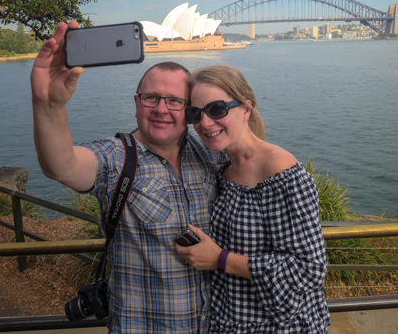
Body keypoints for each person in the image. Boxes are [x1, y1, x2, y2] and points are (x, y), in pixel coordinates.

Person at [31, 22, 224, 333]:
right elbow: (63, 165)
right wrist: (48, 105)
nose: (162, 109)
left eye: (175, 101)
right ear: (137, 104)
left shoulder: (210, 154)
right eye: (151, 98)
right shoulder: (117, 158)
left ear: (189, 112)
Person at [175, 64, 331, 333]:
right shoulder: (223, 165)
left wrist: (220, 259)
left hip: (279, 326)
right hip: (229, 322)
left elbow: (310, 268)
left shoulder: (279, 170)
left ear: (246, 109)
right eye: (195, 113)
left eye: (216, 109)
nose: (205, 123)